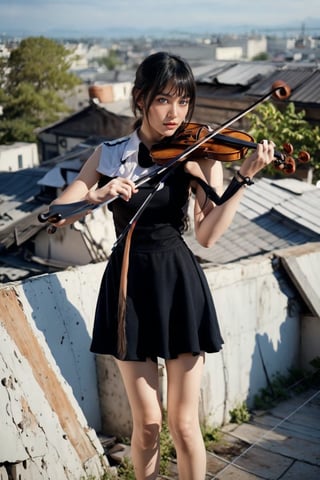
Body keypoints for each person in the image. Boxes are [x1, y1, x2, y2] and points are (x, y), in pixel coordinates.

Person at [49, 52, 276, 480]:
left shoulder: (199, 153)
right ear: (140, 100)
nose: (175, 114)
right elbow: (58, 212)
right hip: (127, 287)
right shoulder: (112, 154)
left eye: (184, 101)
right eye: (163, 101)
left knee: (185, 425)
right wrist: (97, 195)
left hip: (178, 283)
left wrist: (243, 177)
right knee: (148, 424)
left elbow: (208, 235)